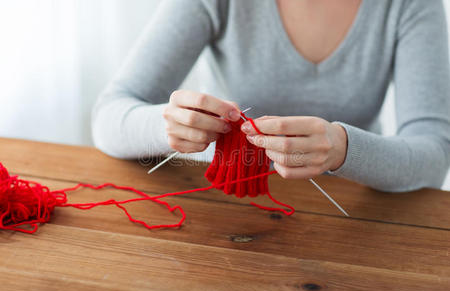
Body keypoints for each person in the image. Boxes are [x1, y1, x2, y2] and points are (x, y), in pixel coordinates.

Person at [92, 0, 450, 192]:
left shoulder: (410, 5)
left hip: (356, 218)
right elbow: (109, 115)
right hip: (223, 208)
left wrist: (343, 149)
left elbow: (433, 155)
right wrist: (167, 126)